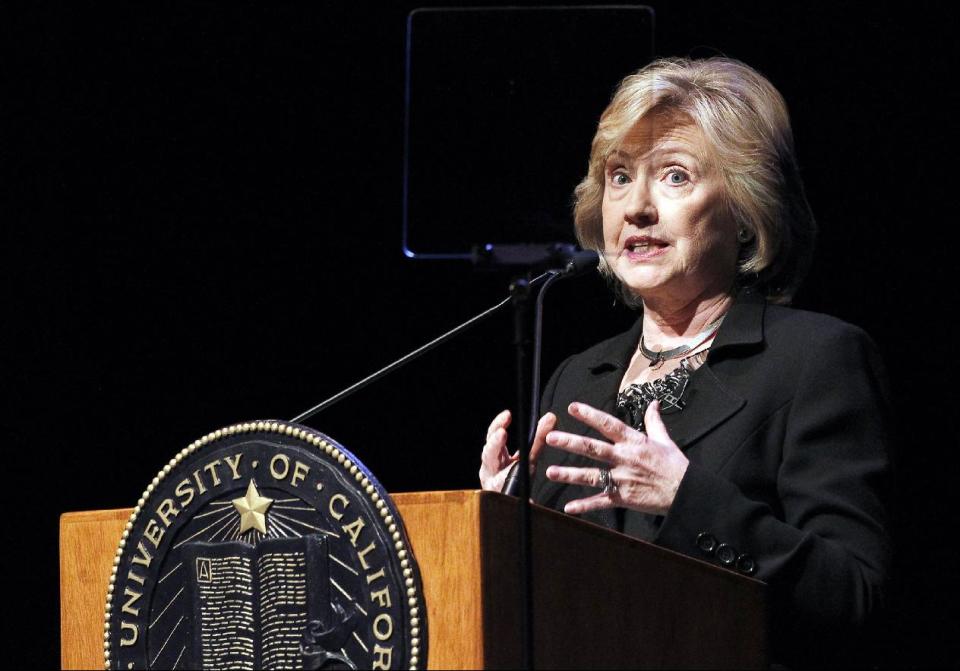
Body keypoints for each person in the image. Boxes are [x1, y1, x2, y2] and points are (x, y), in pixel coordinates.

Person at [478, 57, 892, 667]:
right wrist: (501, 522)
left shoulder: (815, 360)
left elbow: (854, 594)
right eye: (619, 177)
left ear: (745, 209)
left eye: (674, 176)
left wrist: (686, 498)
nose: (637, 207)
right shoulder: (577, 377)